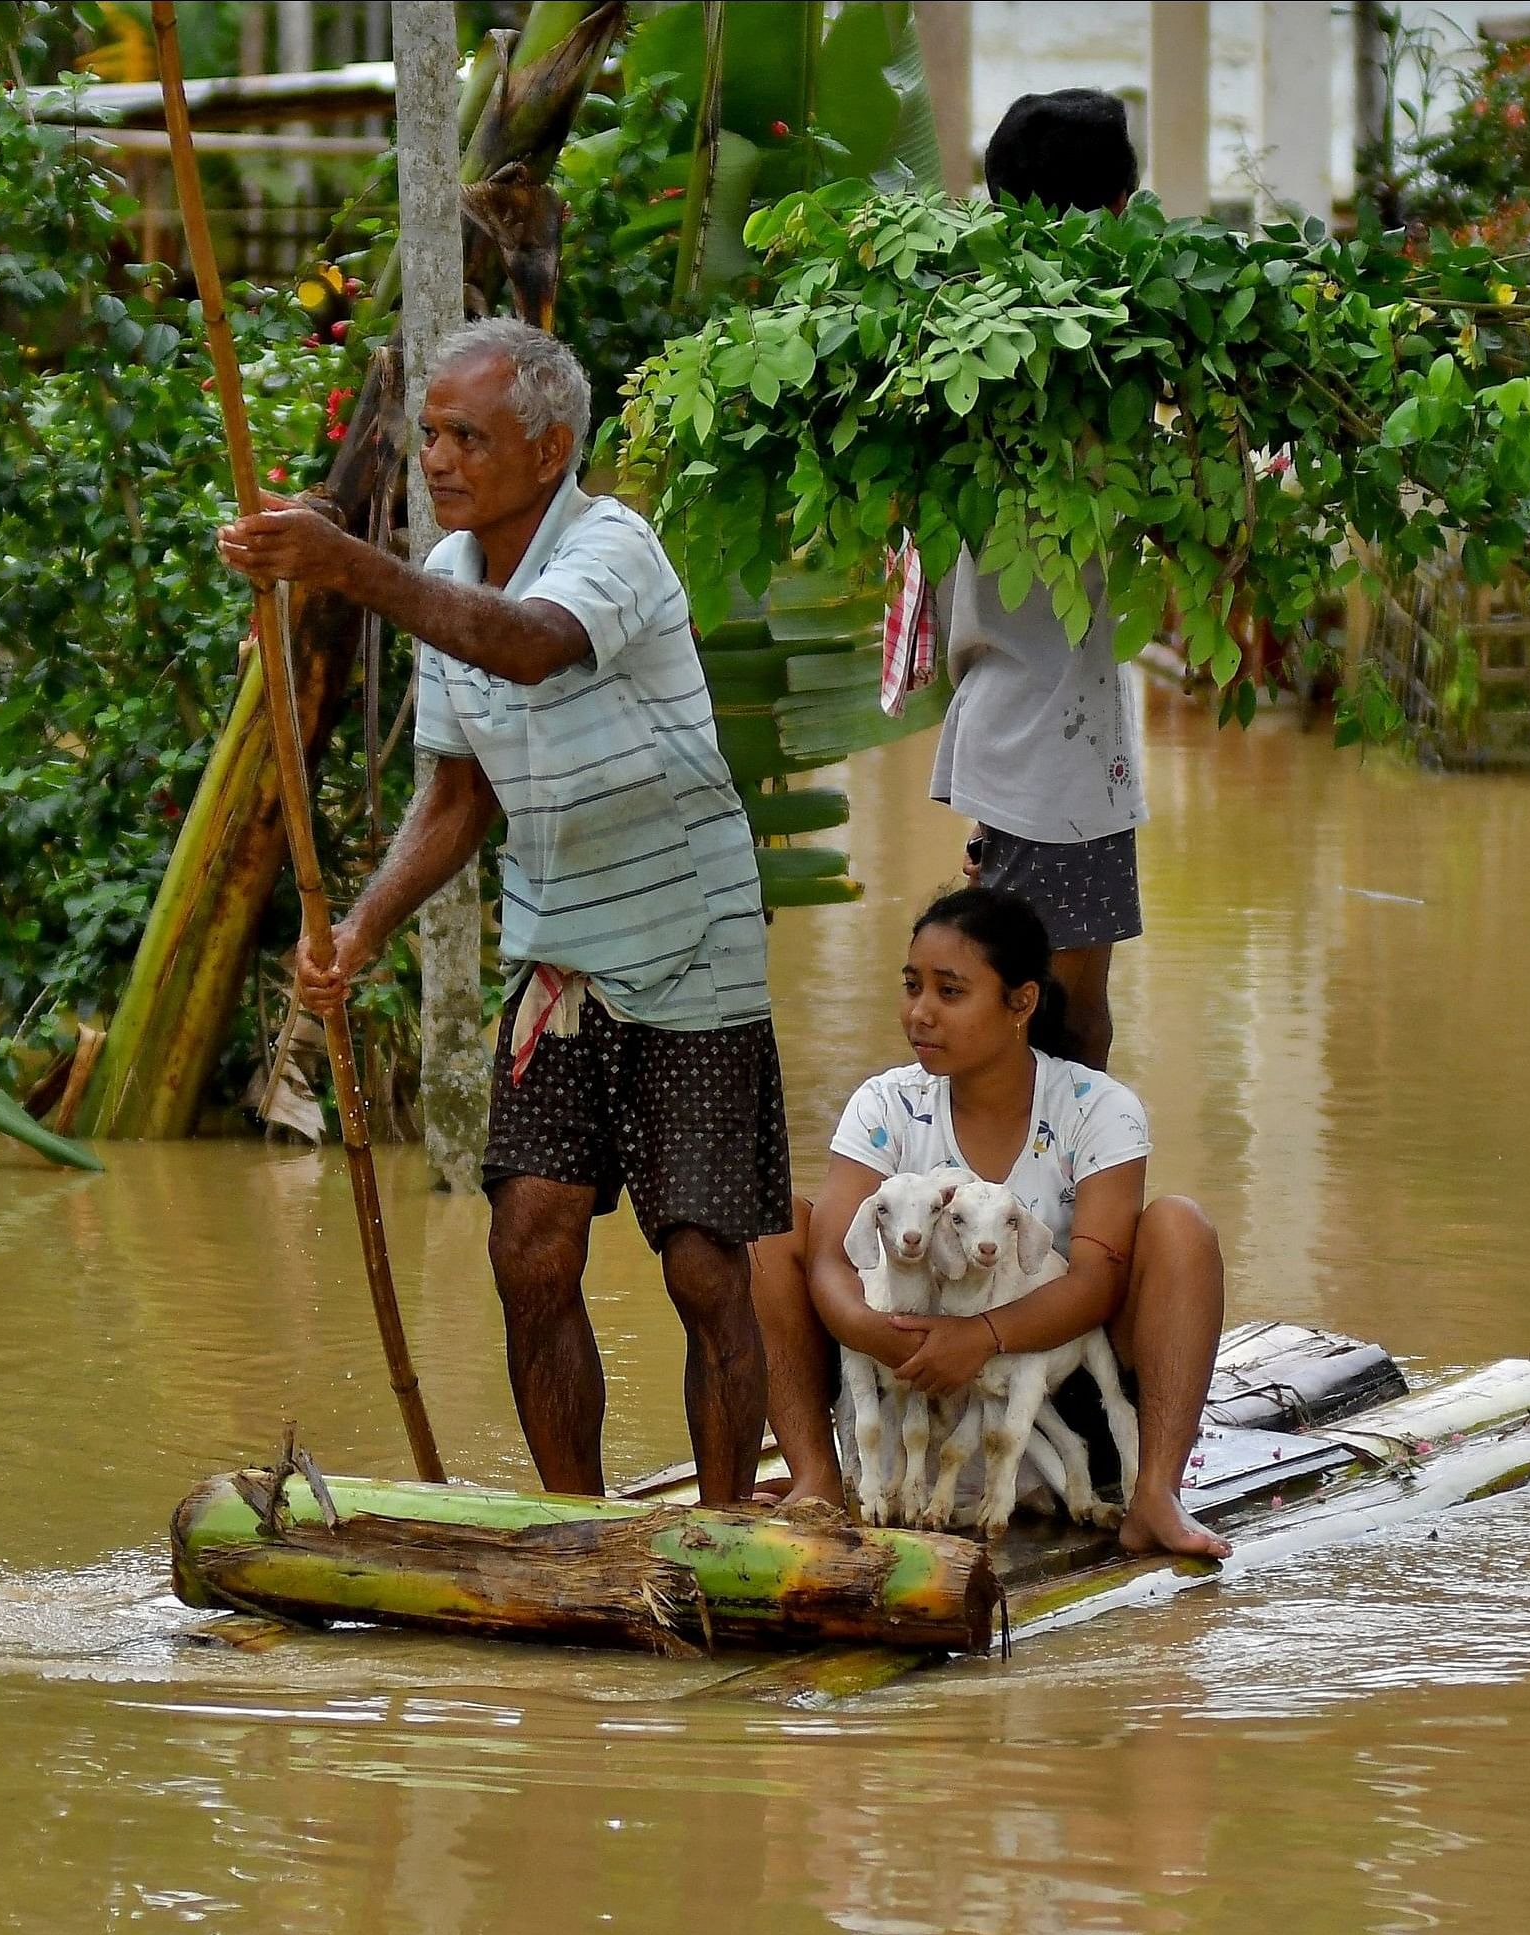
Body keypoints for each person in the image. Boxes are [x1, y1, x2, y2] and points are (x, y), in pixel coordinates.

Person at [216, 319, 784, 1505]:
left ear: (549, 448)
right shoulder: (452, 581)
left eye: (465, 436)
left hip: (688, 940)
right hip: (559, 953)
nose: (435, 458)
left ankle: (726, 1526)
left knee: (699, 1262)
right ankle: (576, 1527)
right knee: (527, 1245)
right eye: (427, 434)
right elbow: (458, 796)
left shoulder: (611, 546)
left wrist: (343, 563)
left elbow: (528, 649)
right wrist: (359, 932)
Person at [751, 885, 1232, 1558]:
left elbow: (1097, 1277)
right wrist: (887, 1339)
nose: (920, 1013)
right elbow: (833, 1258)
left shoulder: (1098, 1107)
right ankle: (818, 1476)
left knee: (1181, 1227)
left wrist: (981, 1337)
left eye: (950, 992)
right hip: (901, 1389)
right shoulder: (885, 1103)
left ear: (1022, 1002)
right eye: (912, 986)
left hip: (1051, 1395)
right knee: (771, 1229)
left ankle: (1154, 1490)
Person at [928, 89, 1152, 1069]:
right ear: (1110, 210)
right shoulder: (1100, 358)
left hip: (1010, 727)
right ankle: (1059, 1216)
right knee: (1067, 1020)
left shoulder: (968, 347)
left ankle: (1037, 1208)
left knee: (1026, 1011)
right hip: (1051, 750)